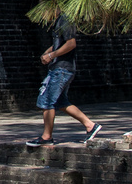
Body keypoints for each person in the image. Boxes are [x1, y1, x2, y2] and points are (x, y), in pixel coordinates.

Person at [27, 14, 102, 146]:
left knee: (46, 100)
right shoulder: (58, 22)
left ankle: (47, 137)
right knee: (61, 102)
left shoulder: (65, 20)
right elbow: (59, 44)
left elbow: (71, 44)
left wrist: (51, 55)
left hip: (62, 69)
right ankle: (90, 125)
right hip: (59, 68)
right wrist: (48, 52)